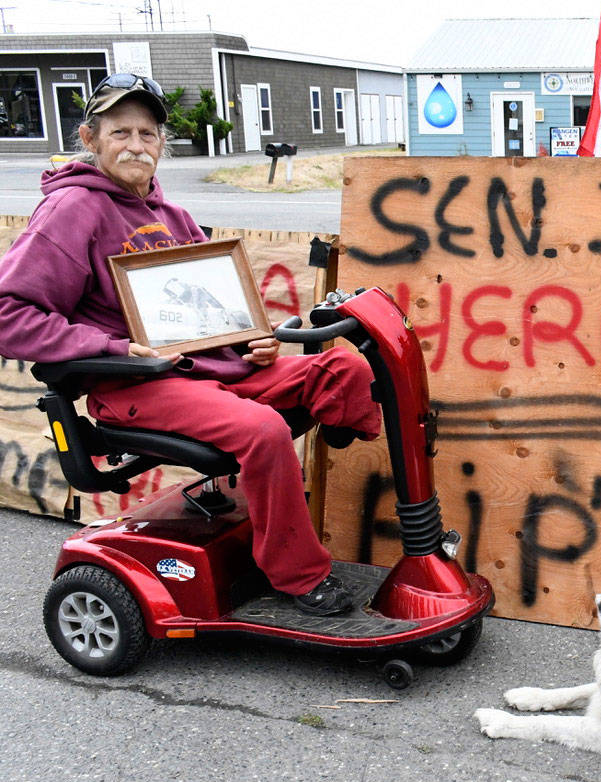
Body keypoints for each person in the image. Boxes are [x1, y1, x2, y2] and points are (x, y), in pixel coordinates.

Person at [0, 74, 379, 616]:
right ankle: (297, 577)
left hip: (211, 371)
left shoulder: (173, 216)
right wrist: (111, 347)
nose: (136, 145)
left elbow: (220, 308)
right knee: (264, 430)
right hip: (137, 382)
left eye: (148, 133)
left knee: (341, 369)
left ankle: (327, 439)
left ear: (161, 142)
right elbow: (8, 314)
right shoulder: (71, 211)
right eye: (120, 132)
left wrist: (255, 342)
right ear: (90, 138)